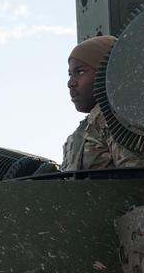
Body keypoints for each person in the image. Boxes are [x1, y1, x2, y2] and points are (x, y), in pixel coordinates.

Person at [60, 35, 139, 171]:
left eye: (80, 71)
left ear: (106, 72)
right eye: (70, 74)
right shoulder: (87, 126)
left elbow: (140, 184)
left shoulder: (117, 118)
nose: (70, 83)